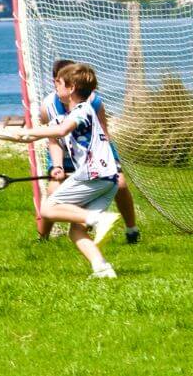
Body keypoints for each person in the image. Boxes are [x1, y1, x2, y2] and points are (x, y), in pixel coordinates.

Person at [13, 62, 121, 278]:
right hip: (109, 179)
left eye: (59, 84)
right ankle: (102, 268)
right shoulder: (70, 114)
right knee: (76, 230)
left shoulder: (82, 110)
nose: (56, 88)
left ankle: (99, 219)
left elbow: (62, 130)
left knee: (48, 209)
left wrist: (32, 132)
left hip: (94, 174)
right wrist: (22, 134)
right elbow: (53, 129)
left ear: (71, 88)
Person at [38, 58, 140, 243]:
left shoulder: (92, 102)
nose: (57, 83)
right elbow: (53, 140)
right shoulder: (47, 107)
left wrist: (104, 163)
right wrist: (58, 166)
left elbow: (104, 134)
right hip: (65, 154)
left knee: (121, 184)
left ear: (72, 85)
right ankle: (43, 238)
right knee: (53, 191)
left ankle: (131, 230)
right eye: (57, 80)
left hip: (94, 155)